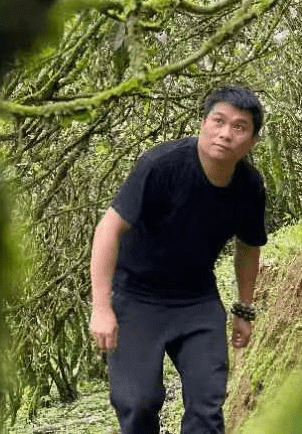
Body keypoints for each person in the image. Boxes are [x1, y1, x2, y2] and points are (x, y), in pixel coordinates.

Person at [89, 85, 266, 434]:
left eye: (240, 127)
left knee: (207, 408)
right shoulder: (161, 165)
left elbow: (248, 246)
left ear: (252, 142)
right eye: (219, 121)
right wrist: (101, 306)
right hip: (136, 299)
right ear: (203, 124)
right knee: (138, 405)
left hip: (196, 302)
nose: (226, 133)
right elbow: (108, 229)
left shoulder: (249, 186)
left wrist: (244, 309)